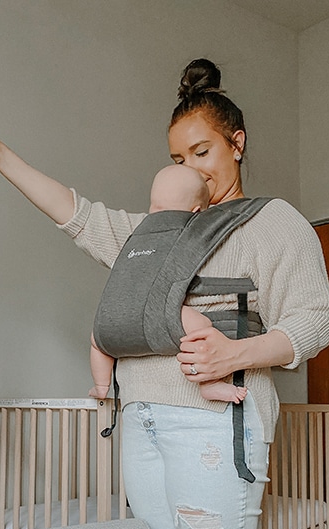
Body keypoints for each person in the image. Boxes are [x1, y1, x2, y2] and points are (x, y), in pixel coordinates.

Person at [0, 58, 329, 529]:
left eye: (203, 151)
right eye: (179, 159)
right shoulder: (161, 232)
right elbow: (78, 215)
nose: (193, 168)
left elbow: (317, 319)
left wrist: (235, 355)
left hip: (215, 426)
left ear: (237, 144)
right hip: (141, 422)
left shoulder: (272, 223)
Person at [89, 163, 248, 405]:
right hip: (158, 316)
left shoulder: (138, 232)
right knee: (202, 325)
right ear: (196, 211)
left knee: (95, 341)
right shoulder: (188, 228)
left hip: (110, 323)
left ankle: (101, 385)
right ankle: (210, 383)